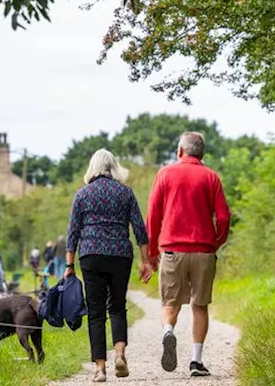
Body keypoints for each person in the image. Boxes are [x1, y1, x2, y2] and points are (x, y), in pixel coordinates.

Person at [147, 131, 231, 378]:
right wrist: (216, 242)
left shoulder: (165, 174)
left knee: (170, 303)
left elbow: (153, 216)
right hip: (204, 251)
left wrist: (152, 252)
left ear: (180, 151)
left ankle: (168, 332)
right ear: (201, 153)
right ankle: (196, 361)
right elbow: (224, 216)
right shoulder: (211, 177)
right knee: (200, 305)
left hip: (173, 250)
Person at [65, 149, 151, 382]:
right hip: (120, 254)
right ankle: (120, 355)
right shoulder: (126, 193)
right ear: (114, 167)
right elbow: (140, 229)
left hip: (91, 254)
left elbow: (72, 232)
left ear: (92, 168)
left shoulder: (82, 195)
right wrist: (146, 261)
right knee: (117, 306)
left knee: (96, 312)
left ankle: (100, 368)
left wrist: (69, 265)